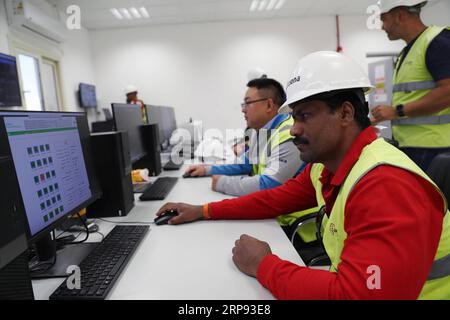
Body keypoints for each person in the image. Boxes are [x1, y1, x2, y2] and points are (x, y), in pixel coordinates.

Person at [157, 51, 450, 299]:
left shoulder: (385, 183)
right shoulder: (327, 165)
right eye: (294, 116)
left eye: (305, 116)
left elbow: (357, 294)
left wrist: (264, 264)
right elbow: (273, 200)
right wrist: (203, 210)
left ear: (346, 114)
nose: (294, 128)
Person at [186, 78, 304, 197]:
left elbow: (270, 184)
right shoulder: (263, 132)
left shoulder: (289, 133)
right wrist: (206, 169)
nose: (243, 109)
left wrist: (222, 183)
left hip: (290, 214)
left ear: (269, 105)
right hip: (272, 209)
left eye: (248, 103)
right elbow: (244, 164)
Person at [371, 0, 450, 171]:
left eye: (384, 19)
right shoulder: (408, 51)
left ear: (399, 15)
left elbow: (447, 91)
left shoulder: (437, 42)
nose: (382, 26)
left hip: (436, 149)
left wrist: (397, 111)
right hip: (416, 147)